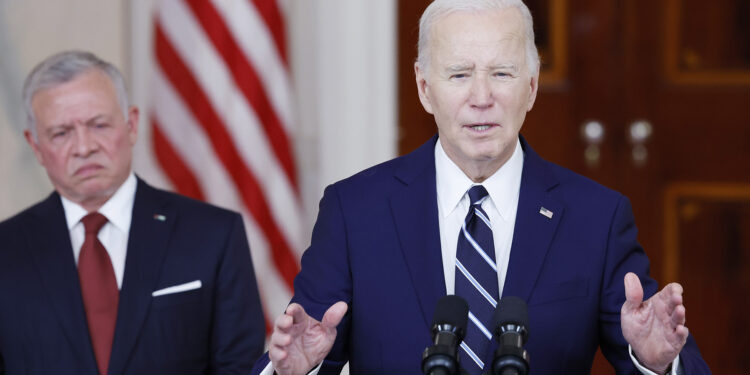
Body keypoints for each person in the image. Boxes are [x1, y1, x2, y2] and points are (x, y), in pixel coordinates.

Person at [252, 1, 711, 374]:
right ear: (424, 87)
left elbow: (665, 353)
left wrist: (656, 363)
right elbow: (305, 345)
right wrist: (296, 371)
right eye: (459, 74)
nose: (481, 97)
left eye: (502, 73)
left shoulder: (597, 218)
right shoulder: (355, 211)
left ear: (531, 87)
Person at [0, 50, 266, 374]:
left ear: (132, 125)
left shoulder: (214, 235)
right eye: (61, 133)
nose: (84, 148)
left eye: (98, 125)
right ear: (36, 146)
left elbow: (238, 367)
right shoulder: (6, 249)